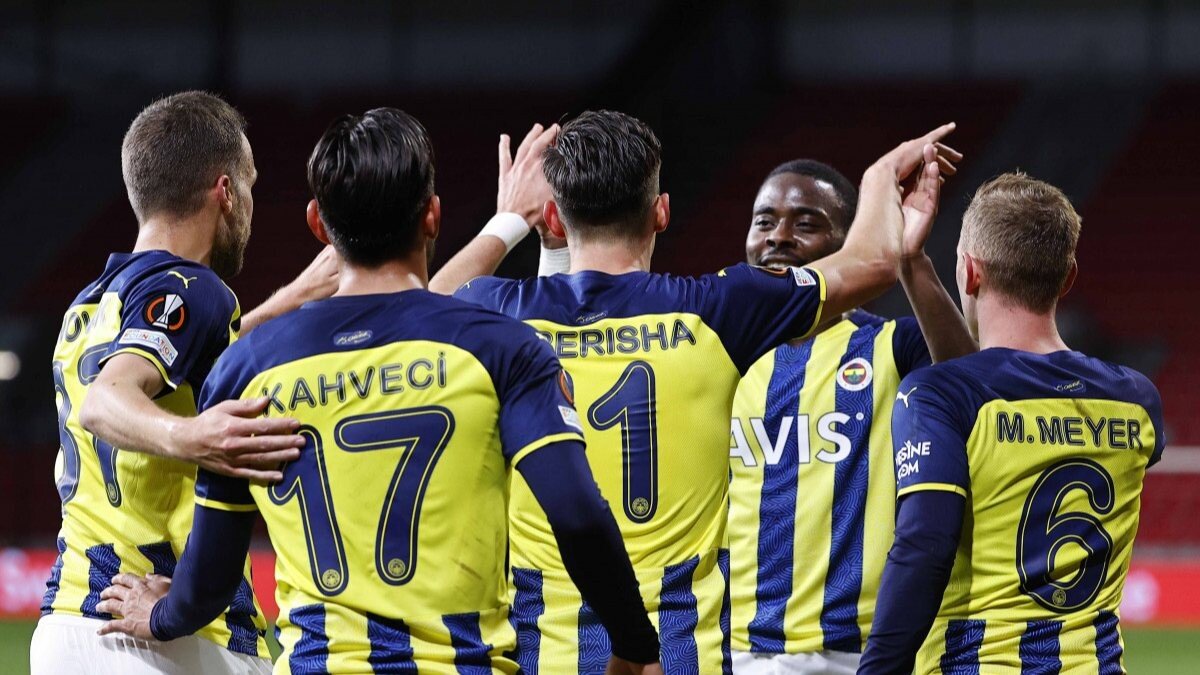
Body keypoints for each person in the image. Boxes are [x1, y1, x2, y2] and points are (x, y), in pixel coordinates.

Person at [95, 107, 663, 675]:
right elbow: (578, 517)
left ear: (319, 226)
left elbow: (210, 578)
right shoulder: (501, 347)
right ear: (432, 216)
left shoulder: (244, 370)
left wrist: (163, 614)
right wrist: (636, 646)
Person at [444, 109, 959, 673]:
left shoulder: (498, 315)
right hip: (684, 654)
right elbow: (874, 263)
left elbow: (413, 309)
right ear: (662, 213)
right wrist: (880, 177)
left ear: (553, 218)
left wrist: (507, 222)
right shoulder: (716, 309)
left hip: (549, 653)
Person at [31, 90, 337, 675]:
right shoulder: (194, 288)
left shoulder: (92, 305)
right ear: (226, 191)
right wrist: (199, 438)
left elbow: (186, 358)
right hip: (158, 632)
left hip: (70, 619)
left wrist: (292, 298)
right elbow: (106, 400)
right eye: (249, 183)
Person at [858, 173, 1166, 674]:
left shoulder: (934, 395)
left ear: (970, 273)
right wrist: (912, 265)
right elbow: (1011, 393)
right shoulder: (1136, 399)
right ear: (1067, 277)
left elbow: (923, 548)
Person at [727, 158, 976, 675]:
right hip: (728, 650)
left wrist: (909, 259)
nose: (779, 237)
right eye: (764, 221)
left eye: (806, 223)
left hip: (854, 656)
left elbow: (972, 383)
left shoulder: (891, 344)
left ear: (850, 244)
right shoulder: (716, 349)